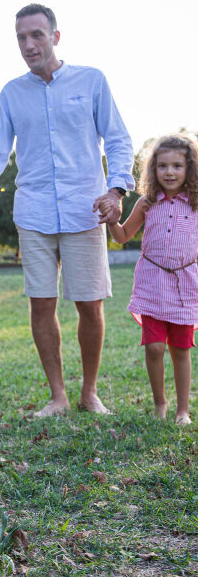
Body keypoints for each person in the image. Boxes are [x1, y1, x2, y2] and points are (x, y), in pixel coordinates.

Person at [0, 3, 134, 417]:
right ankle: (58, 396)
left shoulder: (92, 81)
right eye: (21, 37)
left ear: (56, 36)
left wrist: (117, 190)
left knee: (90, 304)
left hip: (84, 209)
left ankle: (89, 393)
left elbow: (119, 139)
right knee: (41, 303)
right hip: (33, 211)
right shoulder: (12, 93)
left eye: (36, 35)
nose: (28, 44)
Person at [108, 135, 196, 425]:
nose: (169, 172)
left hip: (186, 285)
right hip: (152, 282)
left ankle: (183, 410)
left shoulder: (196, 205)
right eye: (162, 166)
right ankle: (160, 403)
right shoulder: (147, 203)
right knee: (155, 347)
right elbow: (122, 237)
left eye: (177, 166)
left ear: (190, 168)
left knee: (181, 349)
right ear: (153, 170)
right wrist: (111, 219)